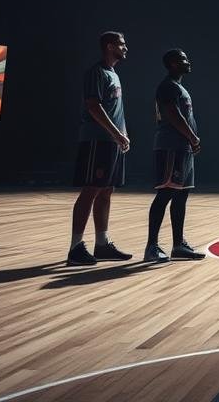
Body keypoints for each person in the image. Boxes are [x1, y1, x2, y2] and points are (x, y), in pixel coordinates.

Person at [67, 31, 133, 266]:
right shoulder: (96, 72)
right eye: (122, 44)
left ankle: (102, 244)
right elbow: (93, 107)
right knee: (91, 190)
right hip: (97, 140)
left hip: (112, 142)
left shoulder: (113, 73)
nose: (126, 48)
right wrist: (116, 133)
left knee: (106, 191)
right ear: (108, 46)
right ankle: (75, 247)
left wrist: (121, 135)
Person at [145, 48, 205, 262]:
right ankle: (151, 246)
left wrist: (191, 140)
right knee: (165, 194)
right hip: (171, 146)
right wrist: (192, 137)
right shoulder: (168, 87)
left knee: (181, 195)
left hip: (183, 148)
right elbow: (173, 115)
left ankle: (178, 245)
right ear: (172, 63)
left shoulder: (179, 87)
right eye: (183, 59)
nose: (188, 62)